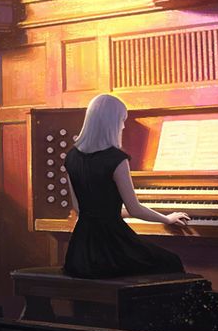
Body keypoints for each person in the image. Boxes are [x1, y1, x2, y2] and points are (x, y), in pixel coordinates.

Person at [62, 93, 190, 278]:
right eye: (122, 120)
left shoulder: (71, 157)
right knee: (171, 261)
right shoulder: (116, 159)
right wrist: (167, 219)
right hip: (110, 249)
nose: (123, 126)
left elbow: (80, 208)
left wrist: (116, 211)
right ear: (112, 123)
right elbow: (135, 209)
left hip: (80, 253)